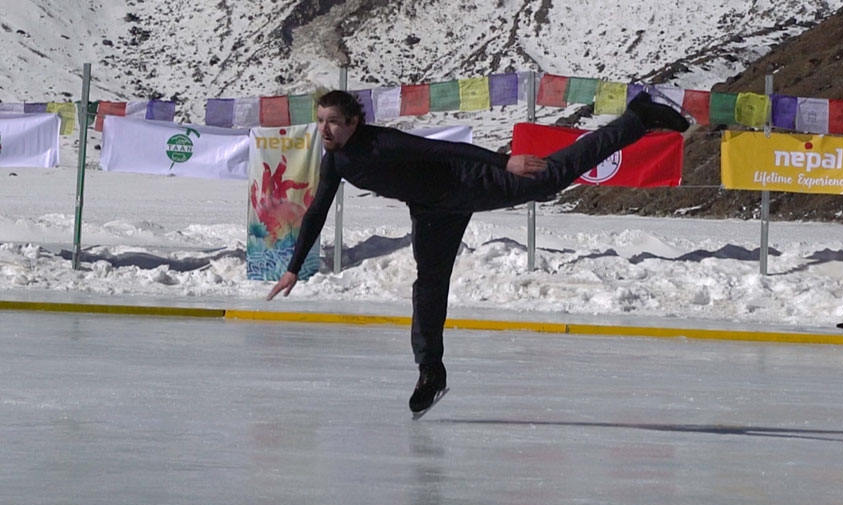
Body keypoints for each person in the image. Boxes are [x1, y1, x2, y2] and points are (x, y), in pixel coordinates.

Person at [266, 89, 690, 416]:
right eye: (321, 121)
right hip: (432, 209)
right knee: (428, 285)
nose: (325, 130)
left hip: (468, 180)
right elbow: (317, 210)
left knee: (546, 180)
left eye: (334, 123)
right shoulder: (335, 161)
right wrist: (292, 268)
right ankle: (431, 373)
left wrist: (501, 162)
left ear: (354, 123)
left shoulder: (381, 144)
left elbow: (440, 149)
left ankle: (638, 117)